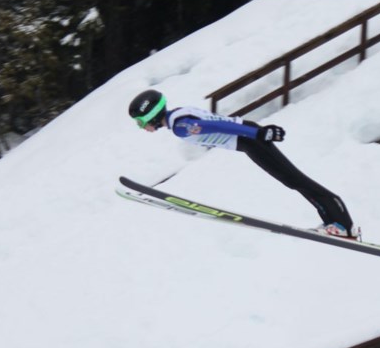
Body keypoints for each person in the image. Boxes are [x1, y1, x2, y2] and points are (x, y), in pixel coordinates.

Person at [128, 89, 361, 239]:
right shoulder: (178, 115)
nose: (141, 127)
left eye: (140, 122)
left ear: (150, 114)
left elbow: (220, 127)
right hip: (248, 137)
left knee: (293, 179)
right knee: (291, 179)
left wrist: (257, 134)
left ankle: (343, 224)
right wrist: (256, 132)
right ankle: (334, 222)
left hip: (248, 139)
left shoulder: (180, 126)